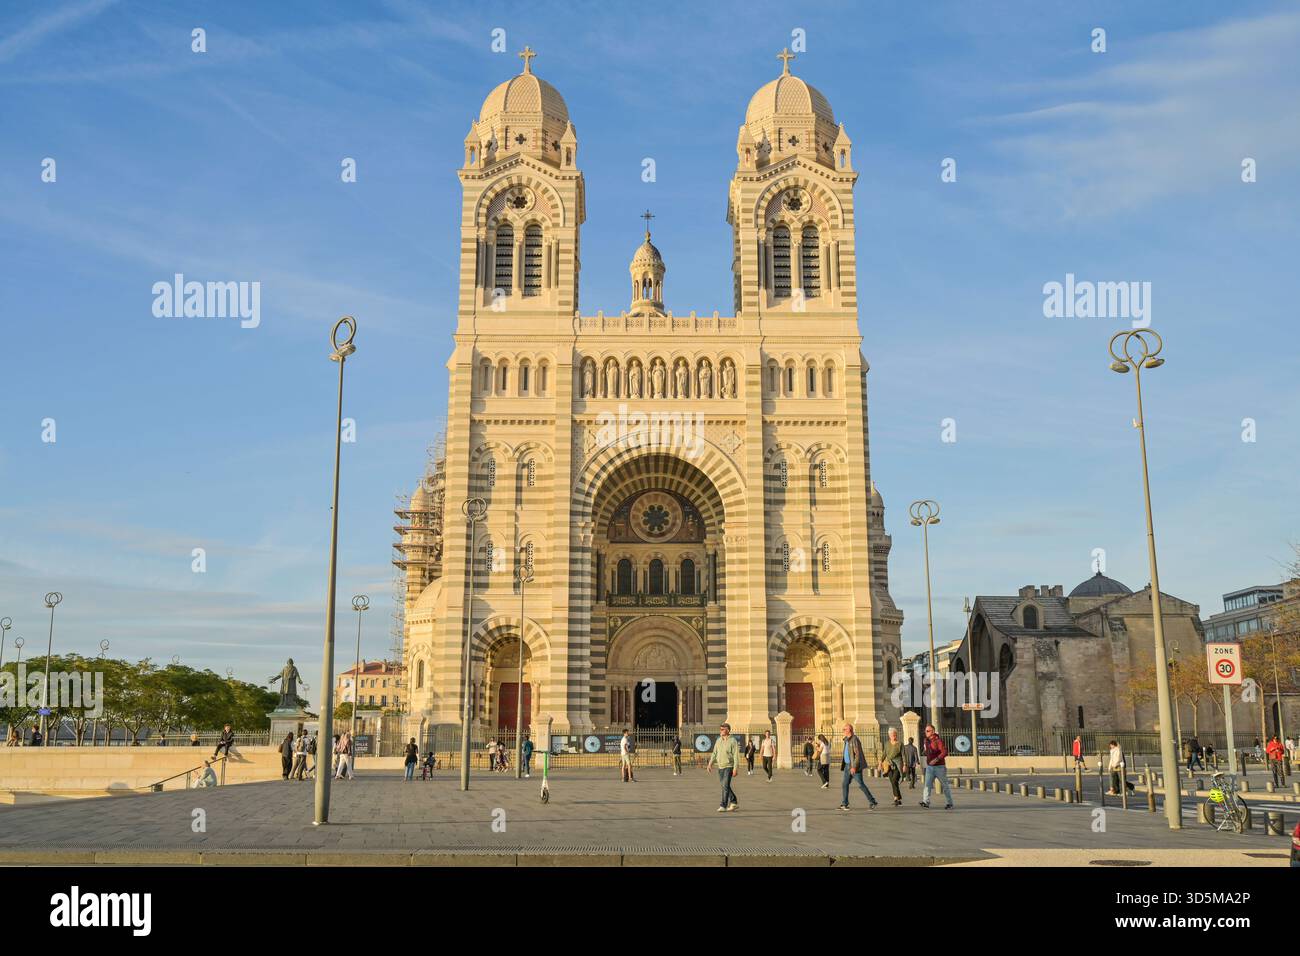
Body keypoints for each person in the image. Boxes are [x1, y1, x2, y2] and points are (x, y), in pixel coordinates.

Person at [837, 722, 878, 811]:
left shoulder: (854, 740)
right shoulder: (847, 740)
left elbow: (857, 755)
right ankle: (845, 803)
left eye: (844, 729)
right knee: (845, 784)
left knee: (861, 784)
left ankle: (872, 801)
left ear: (849, 730)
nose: (843, 731)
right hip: (847, 766)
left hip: (854, 766)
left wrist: (854, 766)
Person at [705, 723, 741, 811]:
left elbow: (736, 756)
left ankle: (723, 805)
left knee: (725, 785)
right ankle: (734, 801)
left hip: (729, 766)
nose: (720, 731)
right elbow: (714, 753)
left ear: (728, 730)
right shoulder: (718, 740)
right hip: (720, 766)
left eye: (722, 729)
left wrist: (735, 768)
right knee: (724, 786)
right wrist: (710, 764)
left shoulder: (733, 741)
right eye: (720, 729)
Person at [919, 725, 954, 809]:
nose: (926, 732)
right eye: (925, 731)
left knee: (945, 785)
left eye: (928, 731)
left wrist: (937, 759)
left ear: (933, 732)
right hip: (930, 767)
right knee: (927, 785)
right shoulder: (926, 741)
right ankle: (925, 802)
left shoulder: (938, 741)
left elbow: (945, 752)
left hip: (939, 767)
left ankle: (950, 803)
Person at [882, 727, 904, 807]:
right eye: (892, 735)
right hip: (889, 765)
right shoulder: (887, 744)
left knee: (894, 780)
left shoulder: (900, 744)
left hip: (898, 764)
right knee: (893, 782)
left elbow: (903, 755)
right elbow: (884, 754)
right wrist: (880, 762)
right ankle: (897, 798)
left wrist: (905, 765)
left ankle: (896, 798)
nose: (894, 736)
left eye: (895, 734)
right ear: (889, 735)